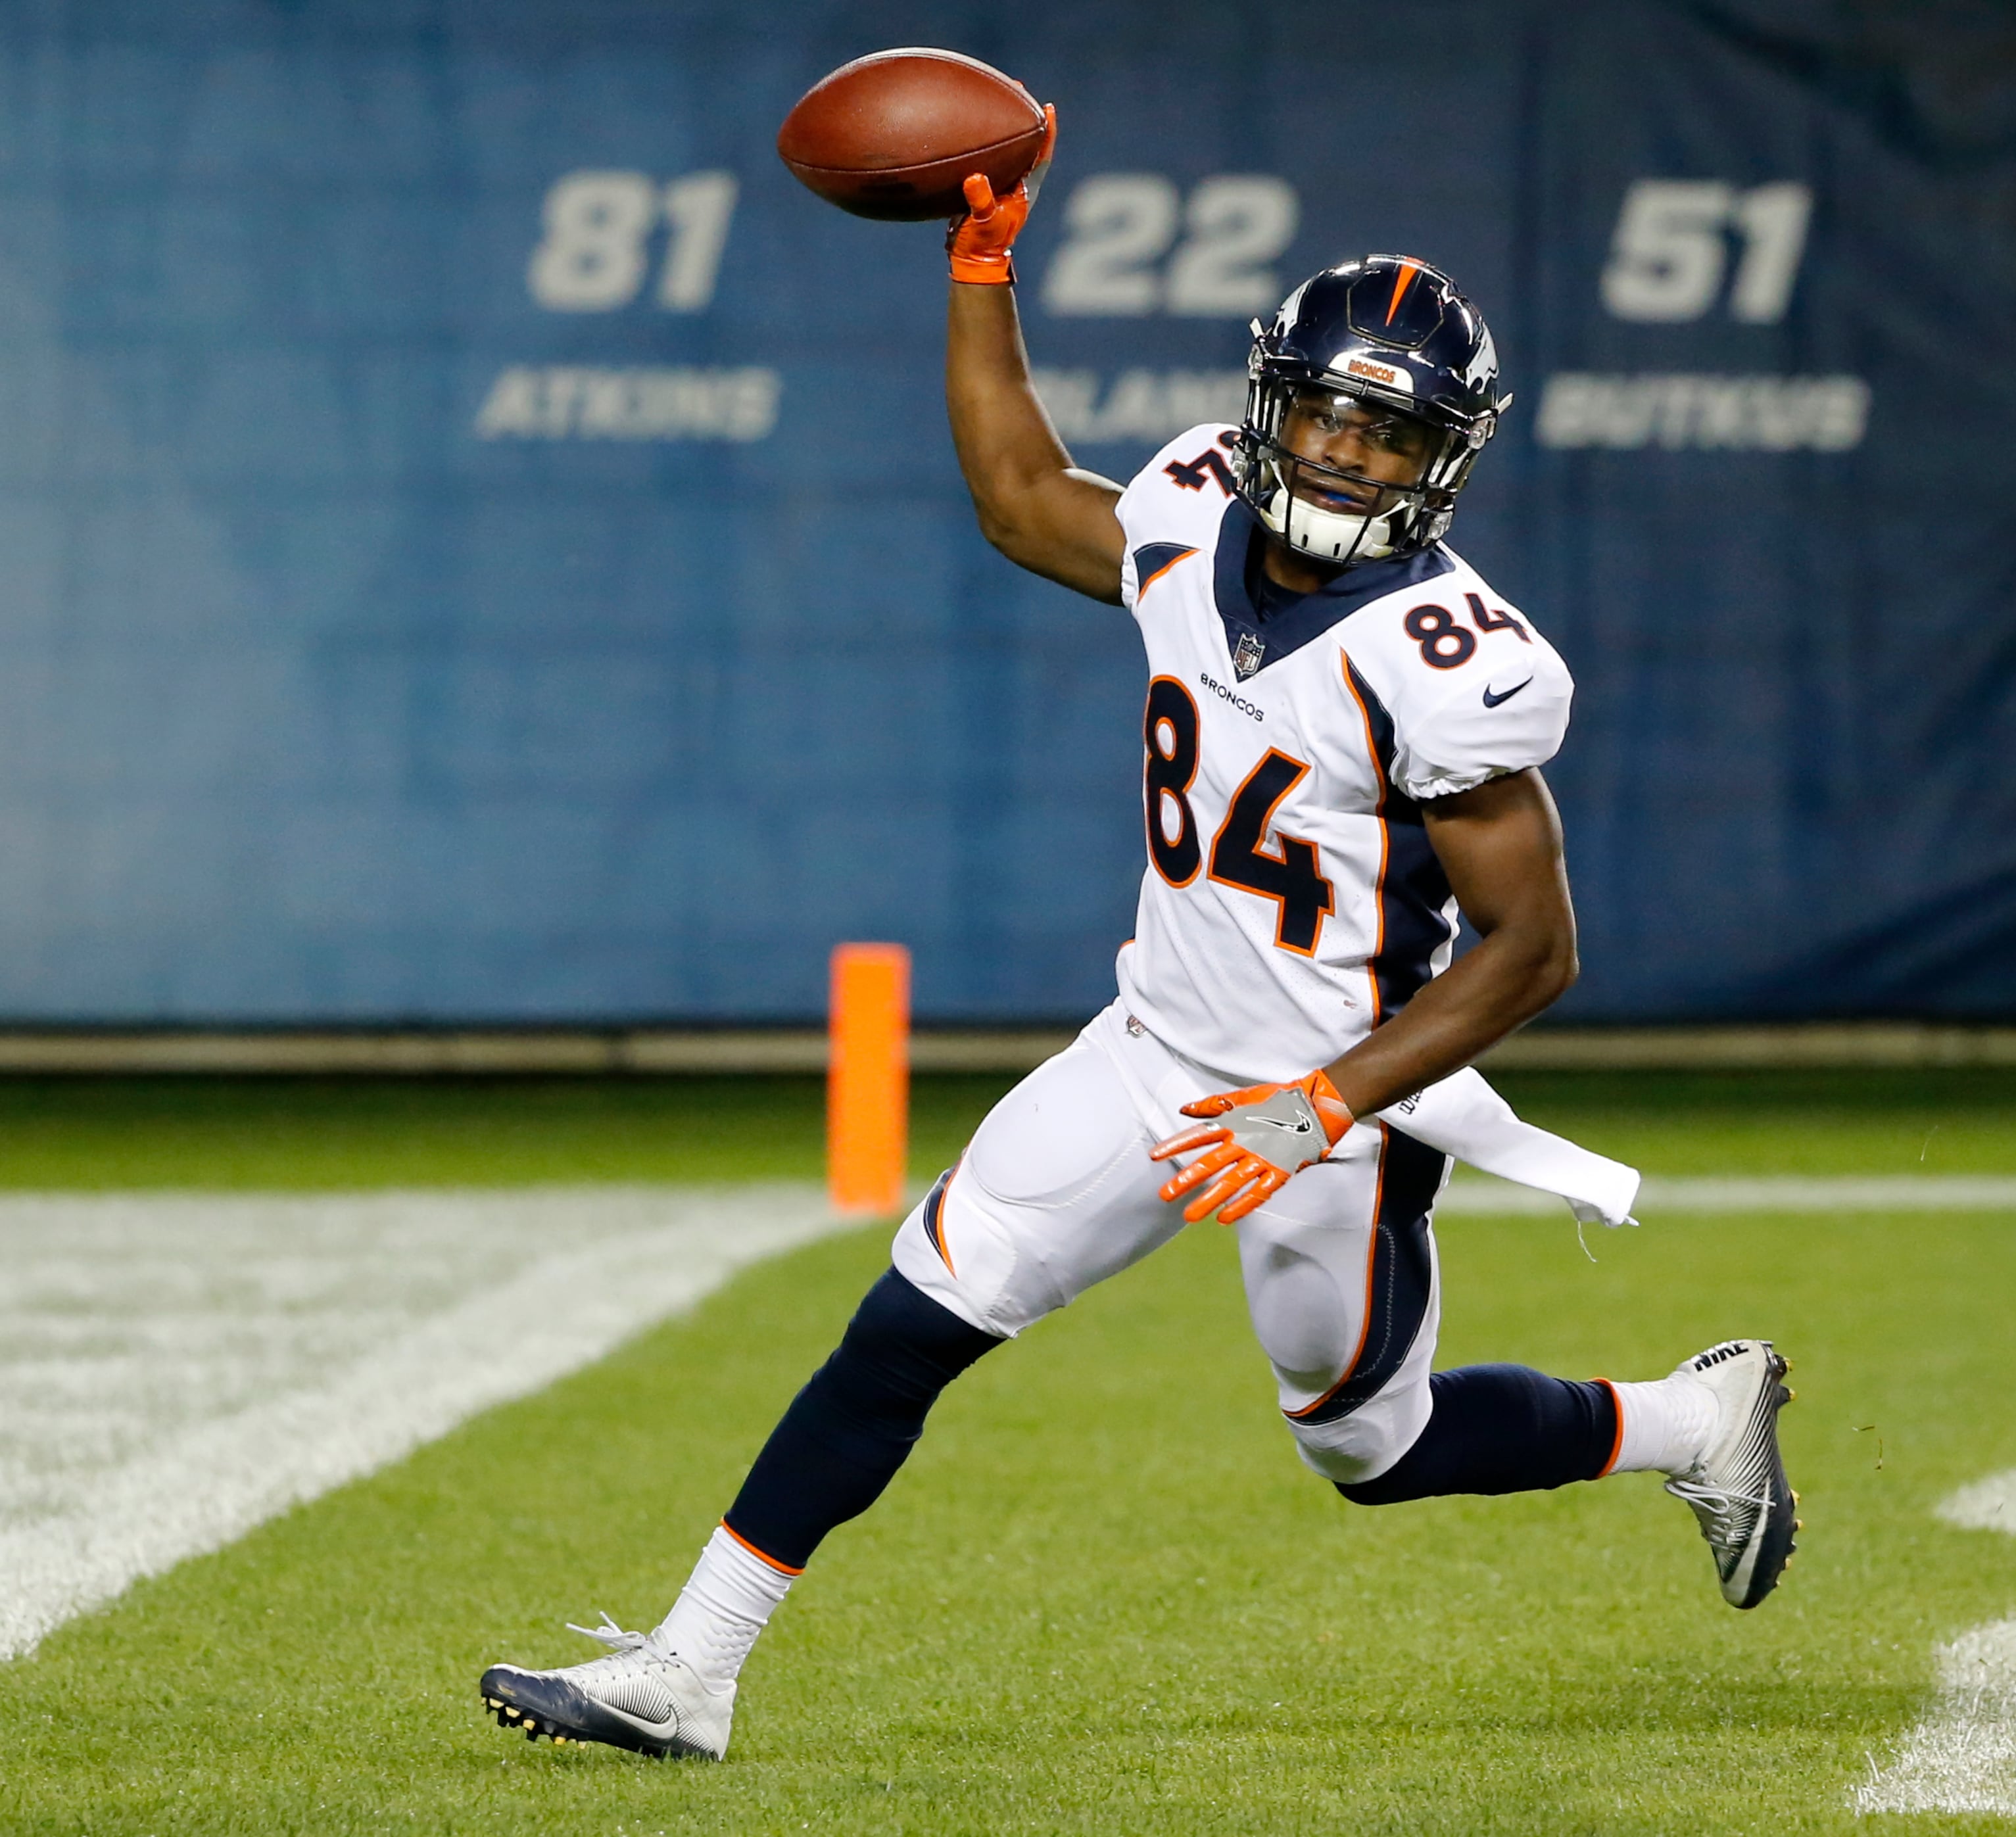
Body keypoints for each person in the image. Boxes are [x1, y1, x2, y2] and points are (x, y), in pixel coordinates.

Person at [477, 122, 1798, 1761]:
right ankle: (691, 1668)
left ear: (1446, 459)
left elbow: (1532, 950)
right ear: (1268, 405)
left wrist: (1323, 1102)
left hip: (1341, 1099)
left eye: (1393, 435)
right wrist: (980, 269)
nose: (1348, 457)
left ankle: (1689, 1417)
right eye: (1326, 414)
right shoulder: (1188, 508)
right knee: (913, 1316)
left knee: (1367, 1445)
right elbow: (1023, 496)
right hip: (1155, 1047)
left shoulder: (1450, 657)